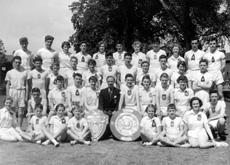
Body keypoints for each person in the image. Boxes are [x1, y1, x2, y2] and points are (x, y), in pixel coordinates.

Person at [5, 56, 28, 129]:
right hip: (13, 92)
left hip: (21, 92)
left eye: (19, 62)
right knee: (12, 111)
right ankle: (12, 127)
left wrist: (26, 96)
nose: (17, 64)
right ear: (13, 63)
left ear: (21, 63)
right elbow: (8, 84)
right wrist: (7, 95)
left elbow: (26, 85)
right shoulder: (10, 72)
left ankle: (19, 128)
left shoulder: (24, 72)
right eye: (16, 62)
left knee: (21, 112)